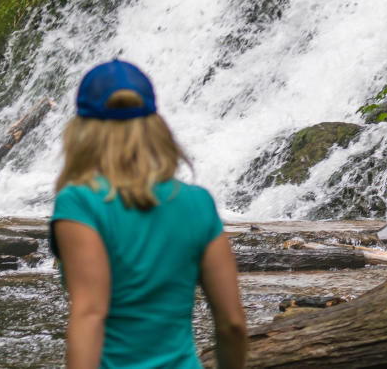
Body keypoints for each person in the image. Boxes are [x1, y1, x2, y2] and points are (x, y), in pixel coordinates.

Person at [50, 59, 247, 368]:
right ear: (155, 127)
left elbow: (90, 314)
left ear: (82, 132)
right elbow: (232, 324)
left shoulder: (80, 203)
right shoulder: (199, 203)